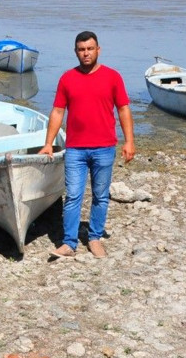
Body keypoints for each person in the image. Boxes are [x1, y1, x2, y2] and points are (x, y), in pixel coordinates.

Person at [38, 31, 135, 259]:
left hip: (104, 148)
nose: (86, 53)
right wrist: (48, 143)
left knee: (101, 195)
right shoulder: (67, 78)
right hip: (75, 149)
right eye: (82, 50)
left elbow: (123, 109)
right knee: (73, 195)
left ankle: (94, 238)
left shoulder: (112, 77)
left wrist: (129, 141)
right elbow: (58, 111)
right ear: (76, 52)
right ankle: (69, 242)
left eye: (90, 49)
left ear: (98, 50)